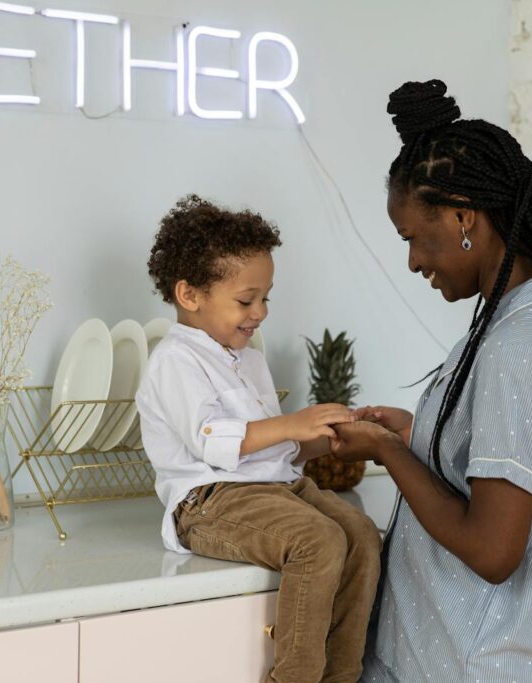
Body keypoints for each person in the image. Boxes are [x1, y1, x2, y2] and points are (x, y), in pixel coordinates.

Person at [328, 80, 532, 682]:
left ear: (464, 216)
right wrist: (419, 435)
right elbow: (502, 463)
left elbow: (494, 549)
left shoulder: (518, 345)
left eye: (413, 237)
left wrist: (391, 453)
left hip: (480, 666)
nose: (414, 261)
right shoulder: (517, 322)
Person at [135, 194, 382, 683]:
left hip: (273, 491)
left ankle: (343, 675)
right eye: (246, 300)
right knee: (318, 539)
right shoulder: (175, 360)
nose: (261, 311)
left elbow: (267, 446)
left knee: (363, 536)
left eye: (266, 297)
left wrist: (327, 437)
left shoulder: (246, 357)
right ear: (189, 295)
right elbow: (213, 441)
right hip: (209, 501)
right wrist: (293, 423)